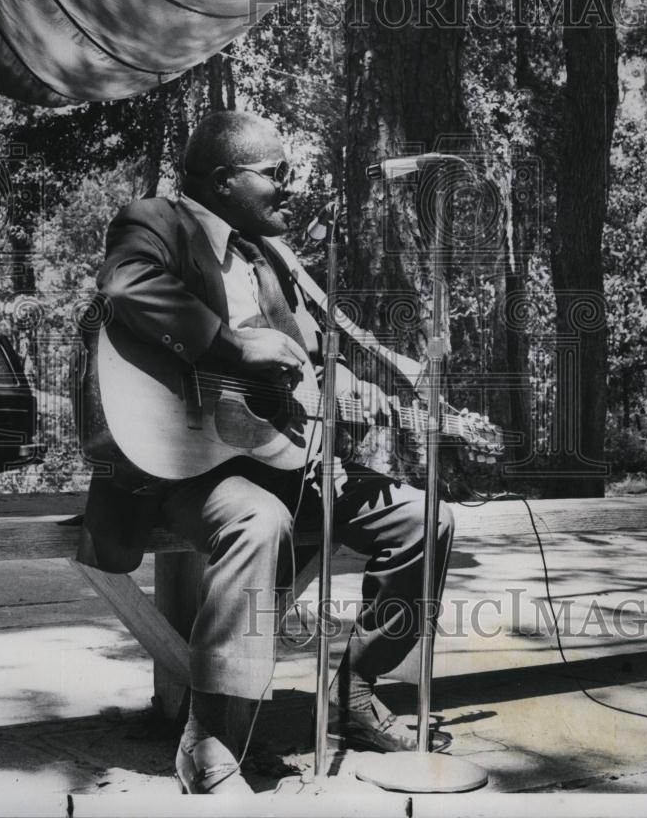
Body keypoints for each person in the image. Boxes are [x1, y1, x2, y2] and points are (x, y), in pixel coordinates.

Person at [75, 110, 455, 796]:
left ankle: (356, 690)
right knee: (258, 521)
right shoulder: (156, 219)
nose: (290, 187)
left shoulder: (272, 256)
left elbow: (308, 361)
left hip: (279, 455)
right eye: (275, 174)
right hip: (179, 464)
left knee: (423, 520)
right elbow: (125, 284)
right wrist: (231, 343)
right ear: (223, 179)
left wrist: (347, 388)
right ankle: (211, 739)